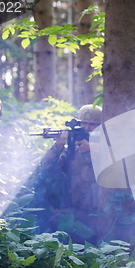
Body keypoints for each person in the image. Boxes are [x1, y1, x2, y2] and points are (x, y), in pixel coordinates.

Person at [38, 104, 102, 243]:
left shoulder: (107, 147)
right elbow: (46, 169)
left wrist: (93, 147)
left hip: (101, 214)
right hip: (74, 211)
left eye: (92, 125)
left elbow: (120, 159)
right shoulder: (73, 151)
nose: (86, 128)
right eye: (82, 123)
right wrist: (58, 147)